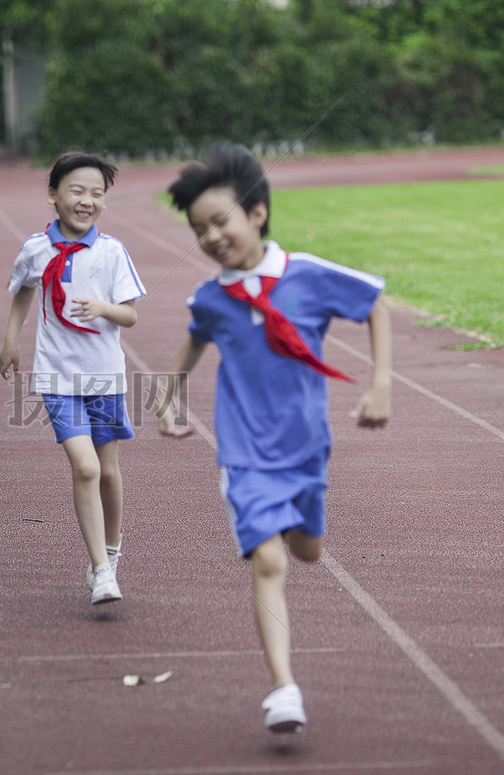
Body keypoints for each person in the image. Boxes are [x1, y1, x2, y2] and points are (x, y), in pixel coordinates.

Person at [153, 142, 392, 732]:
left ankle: (296, 519)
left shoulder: (307, 276)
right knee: (268, 562)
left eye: (219, 221)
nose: (209, 237)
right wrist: (167, 397)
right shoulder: (213, 297)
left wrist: (381, 385)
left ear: (256, 213)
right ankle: (284, 688)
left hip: (306, 448)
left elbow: (375, 306)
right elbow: (194, 337)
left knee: (306, 551)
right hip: (244, 454)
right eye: (198, 229)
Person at [0, 151, 146, 605]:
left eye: (97, 194)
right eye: (77, 191)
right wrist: (11, 339)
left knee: (109, 472)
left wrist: (102, 308)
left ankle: (112, 550)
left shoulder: (111, 251)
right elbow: (23, 289)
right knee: (86, 466)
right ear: (53, 195)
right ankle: (101, 570)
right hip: (57, 376)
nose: (87, 201)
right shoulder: (35, 249)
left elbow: (131, 316)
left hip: (105, 376)